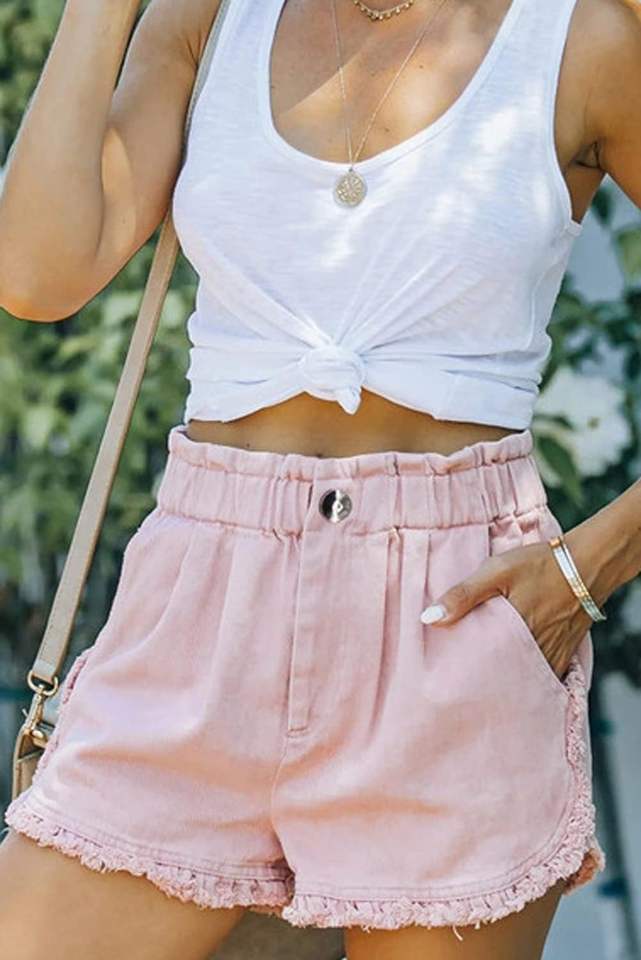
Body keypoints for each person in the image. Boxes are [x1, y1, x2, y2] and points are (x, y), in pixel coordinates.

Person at [1, 0, 641, 957]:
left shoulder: (580, 36)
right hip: (203, 606)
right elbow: (37, 272)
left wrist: (590, 564)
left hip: (455, 613)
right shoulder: (207, 17)